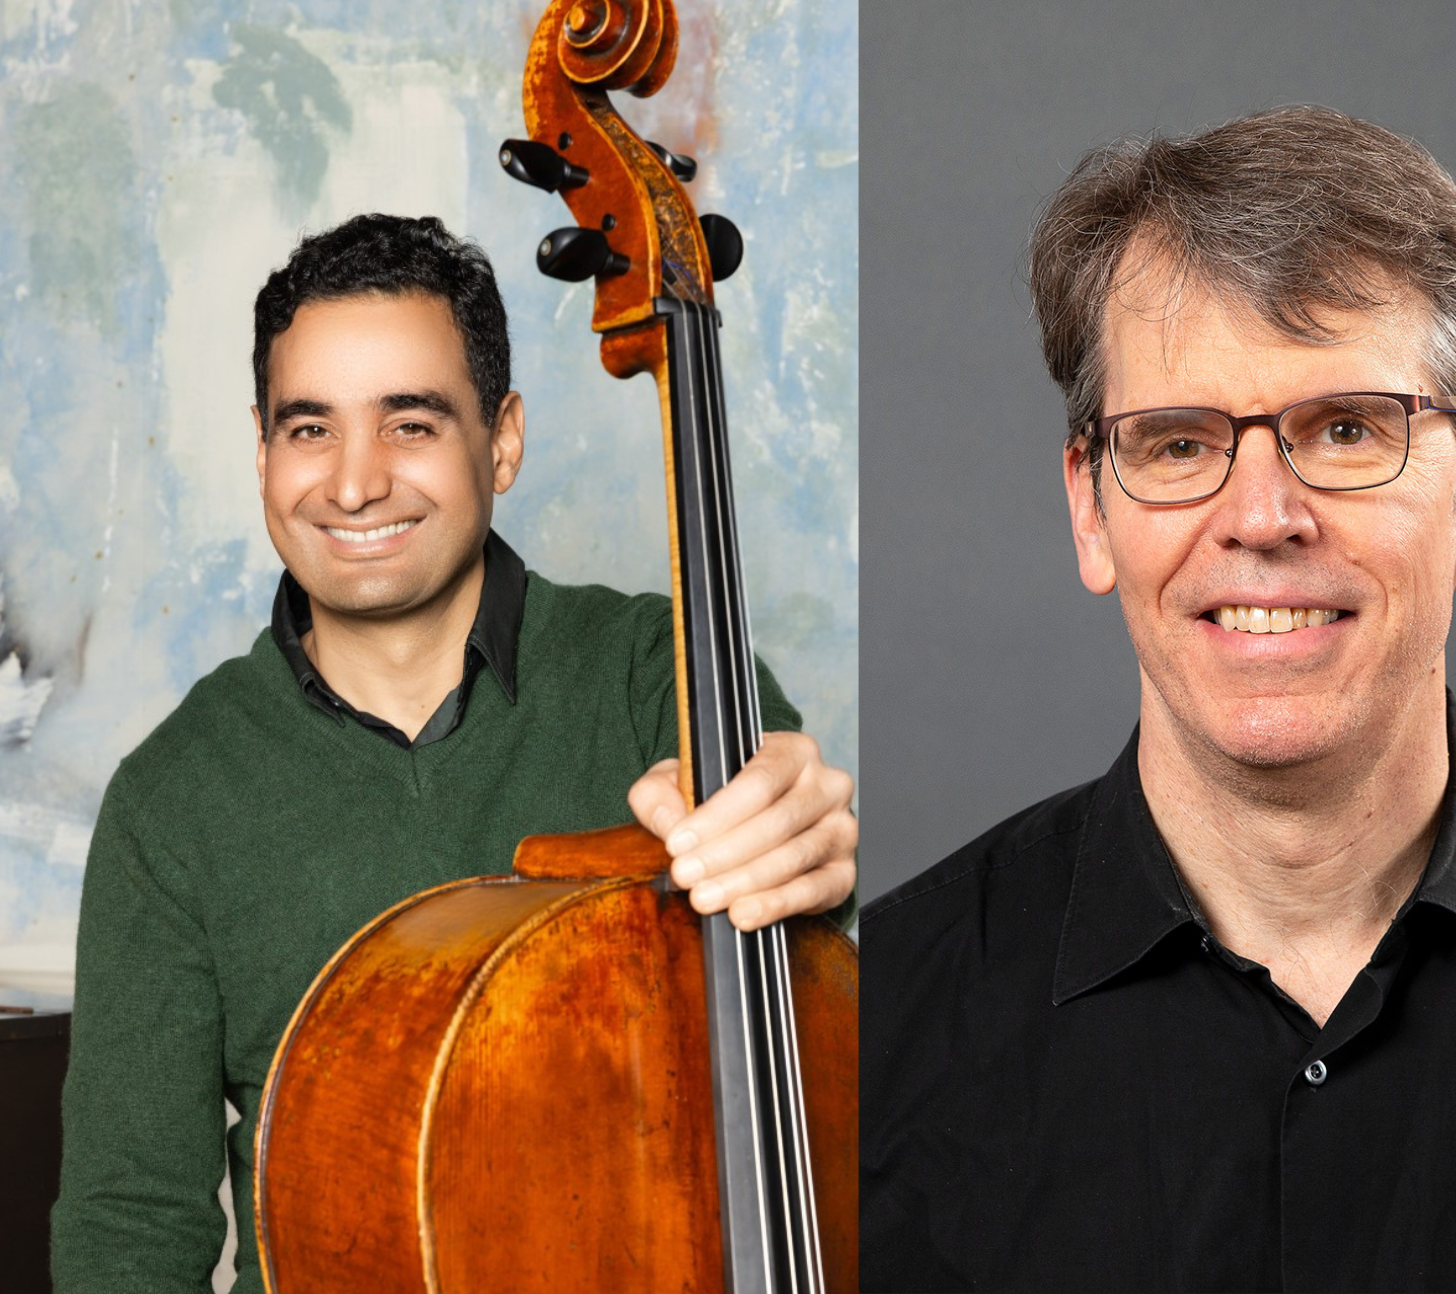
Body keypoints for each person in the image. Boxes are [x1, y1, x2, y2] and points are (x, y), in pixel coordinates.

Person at [861, 106, 1456, 1292]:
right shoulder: (871, 1022)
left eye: (1345, 428)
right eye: (1174, 444)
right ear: (1087, 507)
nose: (1260, 517)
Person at [51, 213, 857, 1293]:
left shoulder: (662, 676)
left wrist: (805, 860)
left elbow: (805, 994)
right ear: (260, 452)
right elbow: (128, 1229)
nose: (352, 483)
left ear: (503, 438)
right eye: (308, 429)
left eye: (410, 424)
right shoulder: (172, 799)